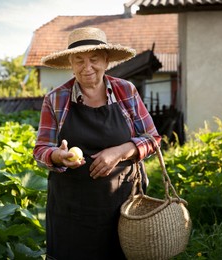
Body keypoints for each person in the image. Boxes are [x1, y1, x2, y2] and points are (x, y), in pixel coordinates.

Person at [33, 27, 161, 260]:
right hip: (70, 209)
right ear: (71, 63)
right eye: (79, 60)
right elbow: (41, 149)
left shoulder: (126, 91)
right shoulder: (55, 99)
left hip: (122, 206)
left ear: (107, 60)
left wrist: (121, 151)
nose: (87, 67)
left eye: (94, 59)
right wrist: (57, 156)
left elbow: (153, 139)